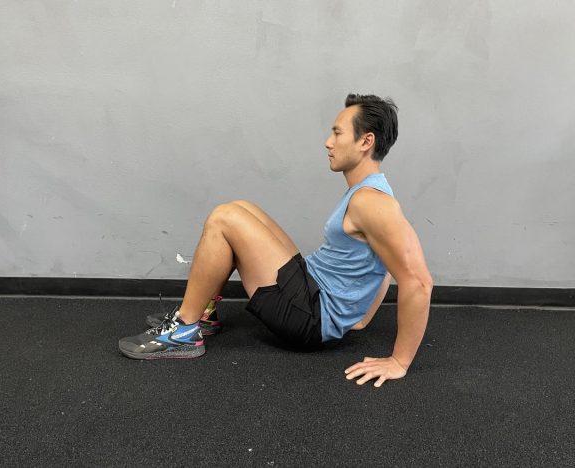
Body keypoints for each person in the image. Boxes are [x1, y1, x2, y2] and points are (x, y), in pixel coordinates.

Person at [119, 94, 433, 387]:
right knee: (242, 209)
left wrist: (399, 361)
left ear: (366, 141)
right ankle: (203, 314)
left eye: (338, 134)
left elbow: (418, 280)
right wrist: (360, 319)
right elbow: (384, 263)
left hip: (309, 316)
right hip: (311, 288)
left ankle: (183, 331)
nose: (328, 142)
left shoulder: (371, 203)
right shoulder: (372, 191)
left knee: (224, 218)